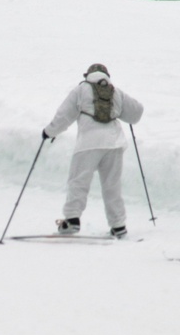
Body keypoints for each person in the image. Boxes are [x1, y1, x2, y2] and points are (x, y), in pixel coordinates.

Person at [42, 63, 145, 239]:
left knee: (78, 181)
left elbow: (64, 115)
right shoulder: (115, 91)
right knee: (112, 186)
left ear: (87, 75)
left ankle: (72, 220)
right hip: (114, 144)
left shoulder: (81, 90)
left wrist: (49, 132)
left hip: (88, 144)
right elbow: (136, 113)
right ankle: (118, 226)